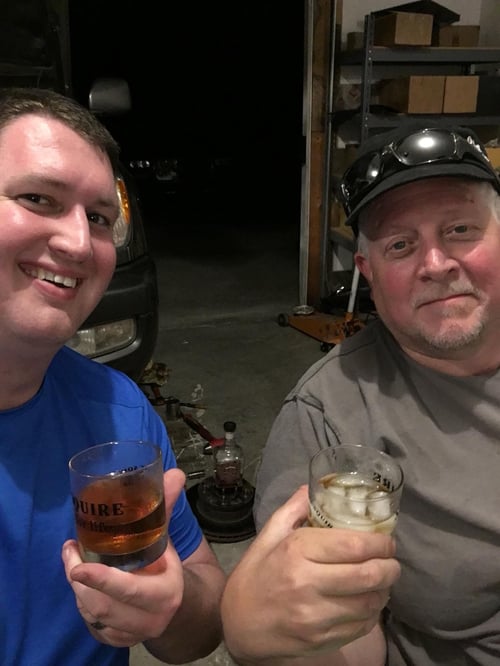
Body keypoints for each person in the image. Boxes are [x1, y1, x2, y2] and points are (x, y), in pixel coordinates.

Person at [221, 121, 500, 666]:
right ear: (368, 273)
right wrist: (275, 630)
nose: (437, 264)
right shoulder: (331, 416)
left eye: (461, 229)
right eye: (401, 244)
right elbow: (336, 627)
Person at [0, 87, 225, 666]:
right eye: (37, 197)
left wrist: (169, 605)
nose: (79, 242)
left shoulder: (117, 409)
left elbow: (200, 625)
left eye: (99, 218)